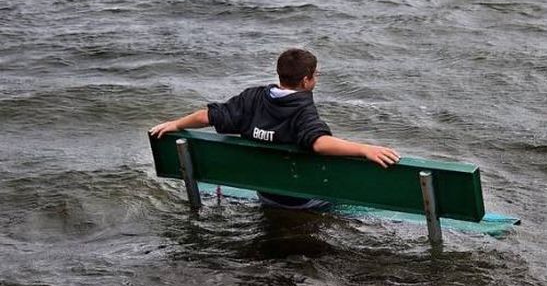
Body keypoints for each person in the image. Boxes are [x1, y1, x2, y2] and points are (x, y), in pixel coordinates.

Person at [149, 48, 400, 208]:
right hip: (301, 198)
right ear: (306, 80)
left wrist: (175, 124)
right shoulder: (302, 109)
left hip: (266, 192)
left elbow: (210, 116)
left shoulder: (253, 98)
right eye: (316, 74)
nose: (317, 78)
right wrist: (365, 149)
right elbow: (319, 143)